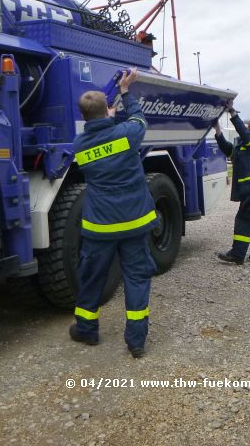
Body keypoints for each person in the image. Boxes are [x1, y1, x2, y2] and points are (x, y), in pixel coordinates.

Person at [69, 68, 158, 358]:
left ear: (84, 117)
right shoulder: (128, 134)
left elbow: (103, 137)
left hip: (100, 227)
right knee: (136, 278)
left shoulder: (79, 146)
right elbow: (138, 119)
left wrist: (106, 114)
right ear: (107, 112)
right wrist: (125, 91)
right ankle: (136, 341)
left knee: (92, 276)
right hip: (134, 222)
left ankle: (86, 328)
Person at [213, 102, 250, 264]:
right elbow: (227, 148)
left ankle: (237, 255)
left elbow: (243, 132)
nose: (242, 130)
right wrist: (217, 130)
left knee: (243, 220)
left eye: (245, 128)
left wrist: (232, 112)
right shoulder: (241, 149)